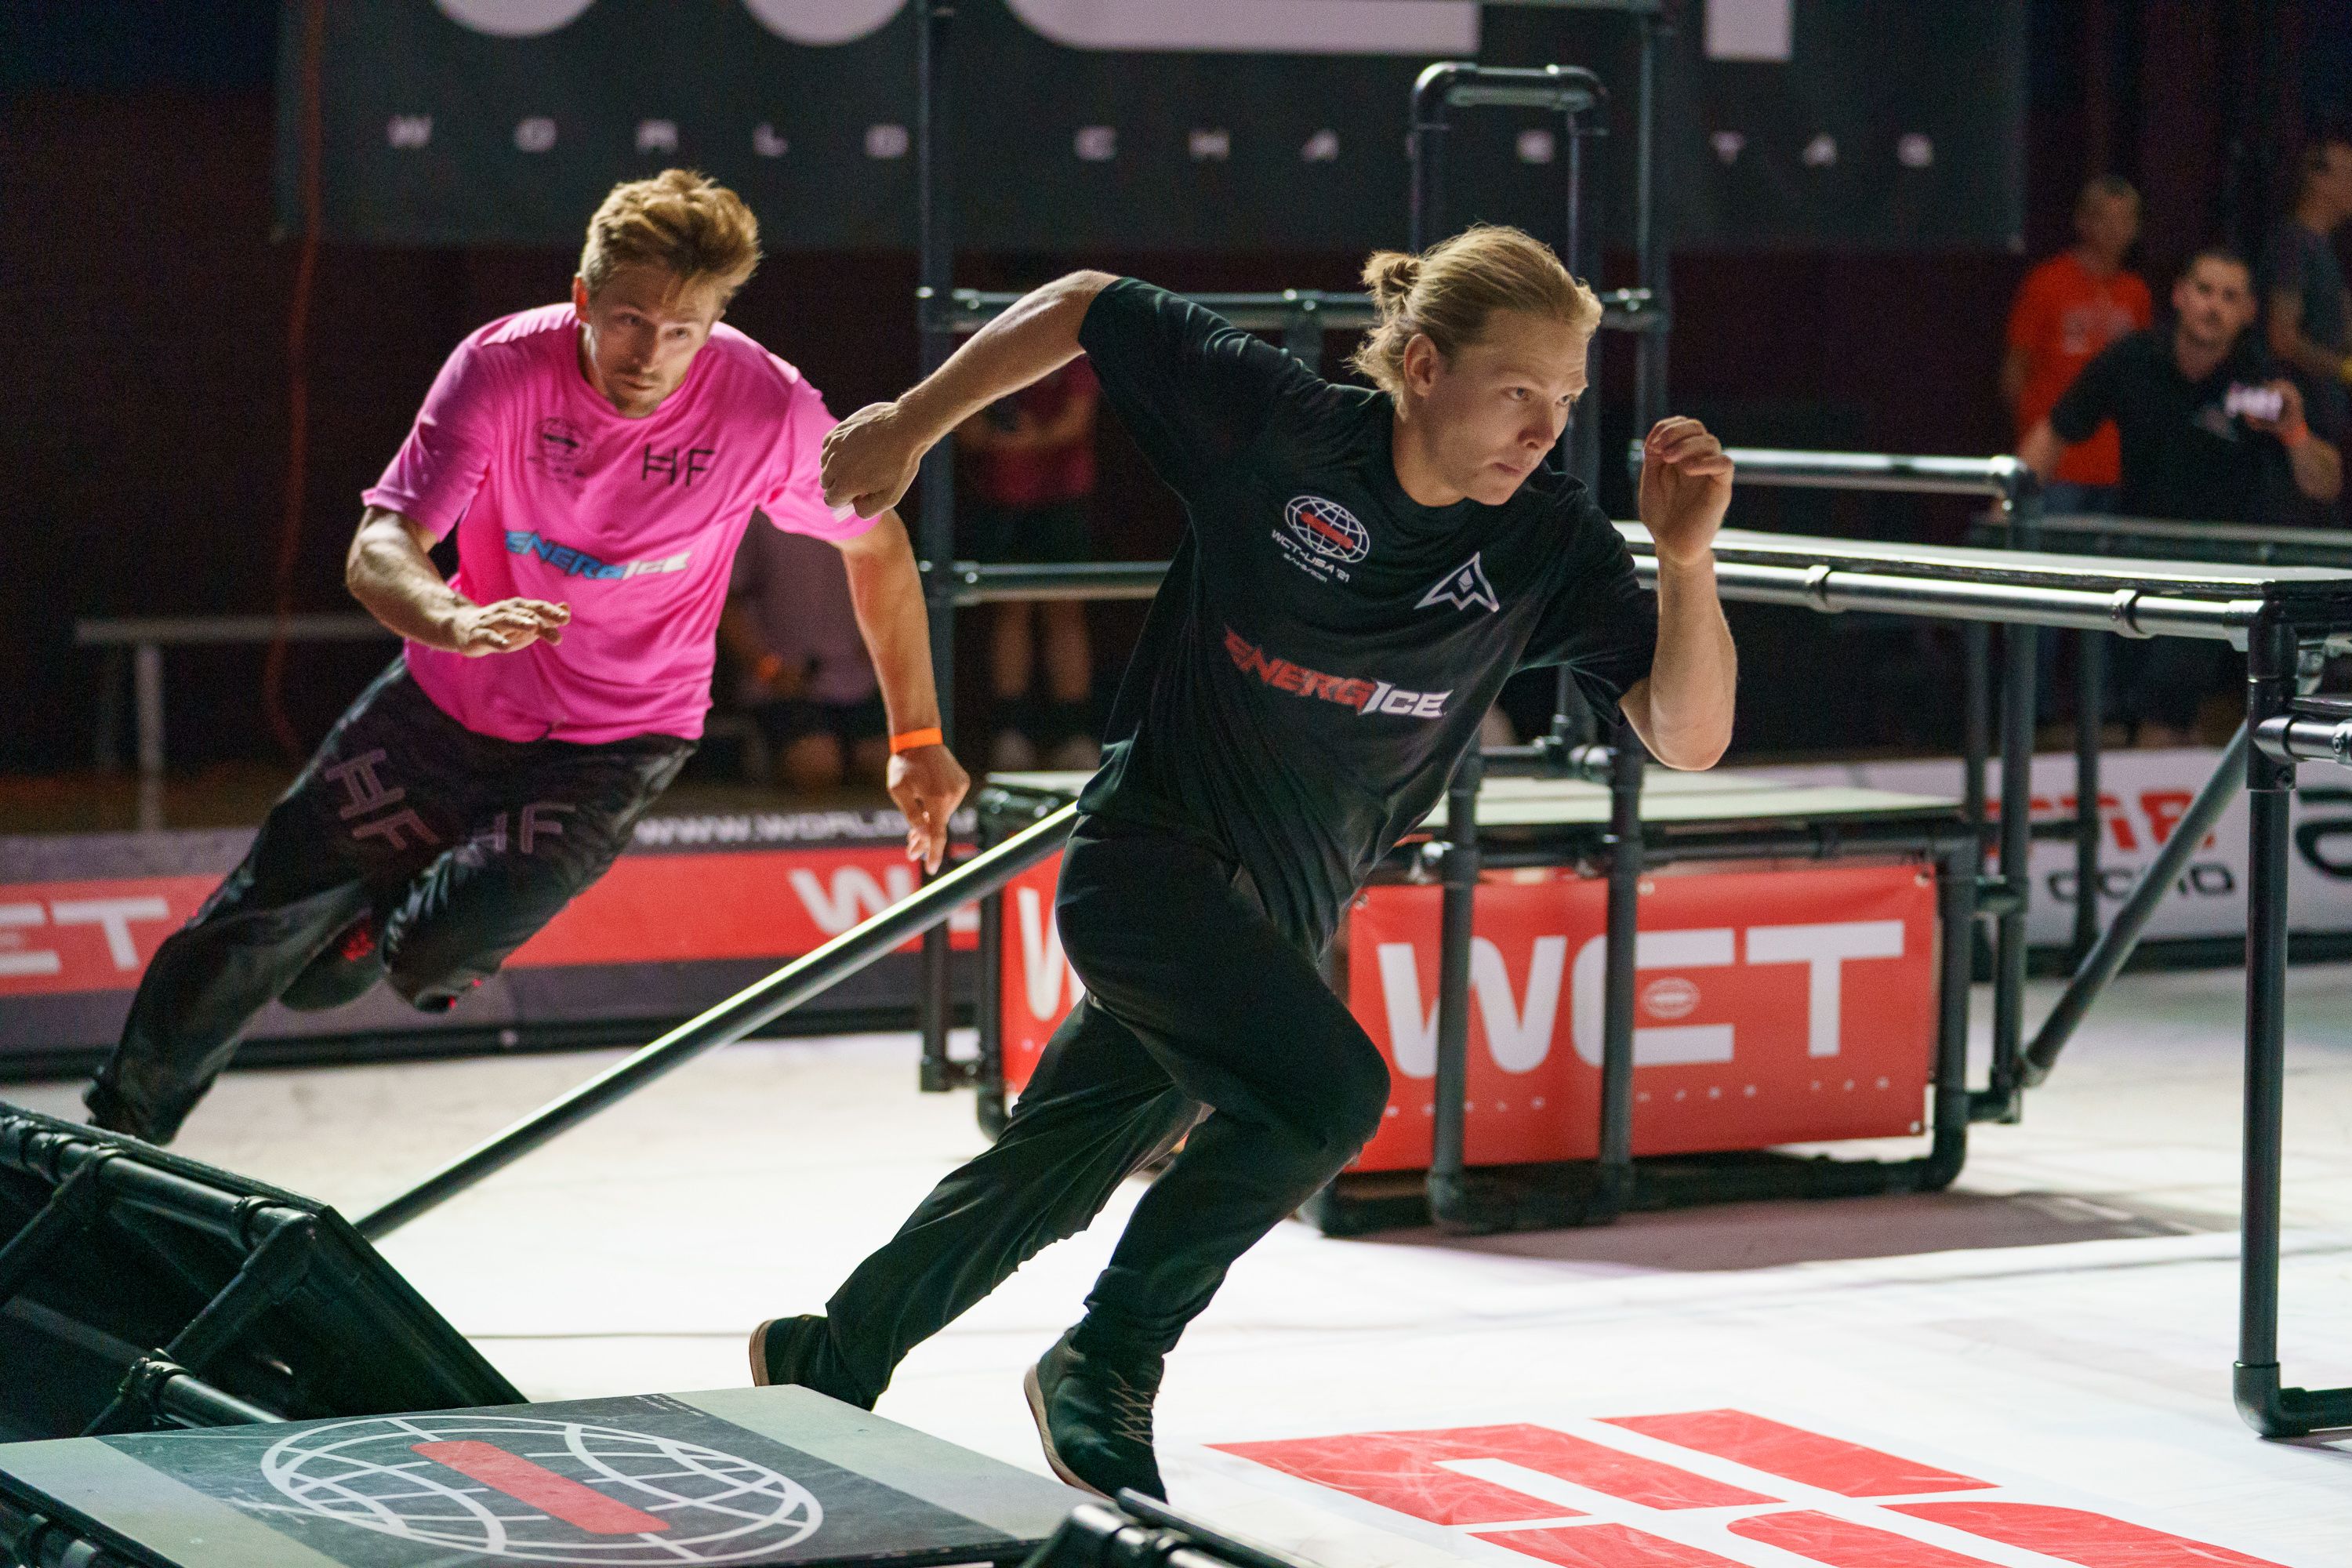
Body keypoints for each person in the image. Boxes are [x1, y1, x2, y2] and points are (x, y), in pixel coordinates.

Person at [749, 226, 1737, 1499]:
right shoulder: (1279, 429)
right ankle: (1107, 1358)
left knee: (1054, 1168)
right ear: (1425, 367)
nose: (1545, 430)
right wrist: (914, 424)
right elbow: (1088, 302)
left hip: (1269, 922)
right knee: (1326, 1095)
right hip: (1148, 866)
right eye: (1518, 392)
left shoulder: (1544, 546)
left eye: (1565, 400)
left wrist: (1687, 558)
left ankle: (833, 1350)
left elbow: (1687, 734)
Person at [83, 170, 967, 1145]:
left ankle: (388, 940)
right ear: (584, 298)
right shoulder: (504, 365)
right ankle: (111, 1141)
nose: (651, 356)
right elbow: (380, 546)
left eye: (684, 332)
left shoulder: (768, 407)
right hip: (445, 701)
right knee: (246, 931)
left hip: (617, 741)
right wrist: (449, 619)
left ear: (716, 323)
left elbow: (876, 546)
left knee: (430, 958)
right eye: (630, 321)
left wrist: (916, 732)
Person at [2020, 248, 2344, 744]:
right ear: (2180, 295)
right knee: (2138, 723)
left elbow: (2325, 483)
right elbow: (2056, 430)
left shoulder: (2260, 382)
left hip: (2219, 579)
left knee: (2162, 721)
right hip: (2136, 566)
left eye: (2230, 297)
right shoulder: (2132, 359)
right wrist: (2010, 507)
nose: (2213, 307)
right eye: (2205, 291)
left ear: (2248, 312)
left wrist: (2294, 432)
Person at [957, 356, 1103, 771]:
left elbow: (1078, 419)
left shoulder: (1072, 341)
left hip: (1062, 501)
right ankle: (1011, 734)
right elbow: (966, 426)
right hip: (1002, 501)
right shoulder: (984, 342)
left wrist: (1027, 439)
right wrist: (999, 438)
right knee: (1011, 612)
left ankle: (1074, 733)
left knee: (1065, 613)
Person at [2001, 176, 2151, 515]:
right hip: (2057, 462)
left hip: (2115, 465)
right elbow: (2014, 374)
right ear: (2083, 221)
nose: (2116, 230)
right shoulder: (2046, 283)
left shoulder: (2136, 293)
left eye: (2126, 219)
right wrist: (2032, 441)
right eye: (2105, 219)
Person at [720, 519, 890, 791]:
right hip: (782, 686)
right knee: (816, 764)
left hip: (856, 680)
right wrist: (766, 668)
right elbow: (725, 599)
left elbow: (888, 588)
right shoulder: (758, 512)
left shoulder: (863, 506)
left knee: (893, 767)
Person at [2263, 134, 2352, 498]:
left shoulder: (2325, 250)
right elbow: (2281, 337)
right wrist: (2343, 368)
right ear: (2320, 180)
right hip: (2299, 418)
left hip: (2325, 418)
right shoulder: (2294, 243)